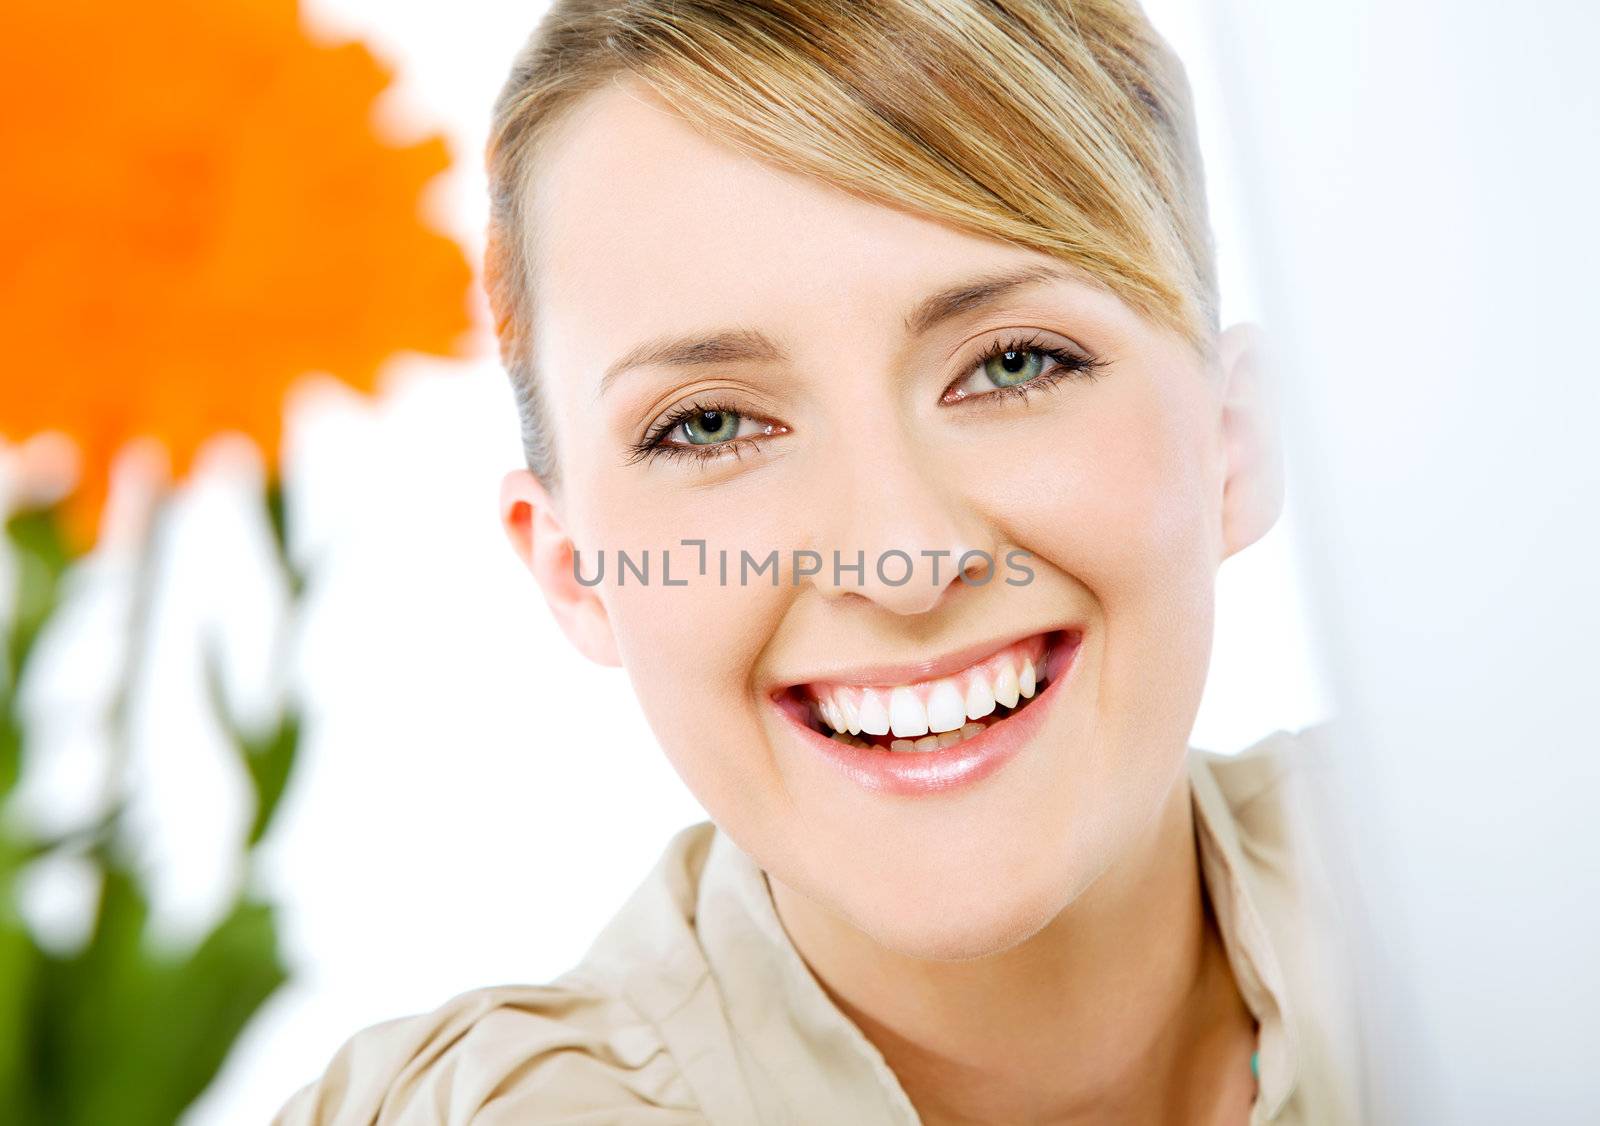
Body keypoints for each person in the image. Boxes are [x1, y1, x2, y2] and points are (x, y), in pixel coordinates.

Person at [274, 1, 1360, 1121]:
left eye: (1012, 363)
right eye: (709, 425)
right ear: (570, 567)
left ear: (1232, 438)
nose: (901, 561)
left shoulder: (1517, 860)